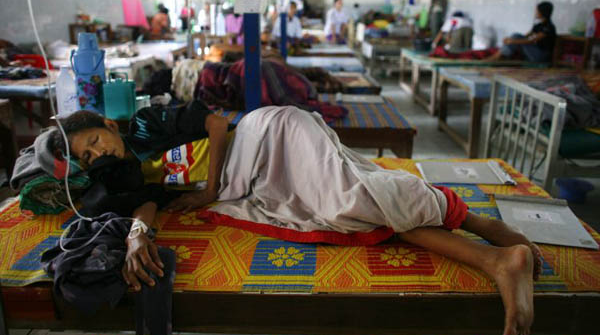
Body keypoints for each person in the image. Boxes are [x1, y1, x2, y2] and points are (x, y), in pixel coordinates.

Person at [45, 101, 542, 335]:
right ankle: (496, 259)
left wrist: (213, 189)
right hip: (257, 182)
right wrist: (137, 235)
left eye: (94, 142)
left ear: (107, 124)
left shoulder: (148, 123)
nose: (98, 153)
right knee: (347, 215)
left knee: (350, 196)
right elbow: (147, 205)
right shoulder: (127, 172)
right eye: (88, 158)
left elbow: (218, 123)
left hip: (267, 135)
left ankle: (480, 225)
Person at [487, 1, 556, 62]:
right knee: (516, 35)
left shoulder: (549, 27)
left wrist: (512, 41)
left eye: (537, 11)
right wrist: (510, 40)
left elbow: (531, 41)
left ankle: (496, 57)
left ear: (543, 12)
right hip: (534, 52)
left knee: (516, 38)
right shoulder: (538, 26)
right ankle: (499, 57)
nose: (536, 12)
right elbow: (525, 37)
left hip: (541, 56)